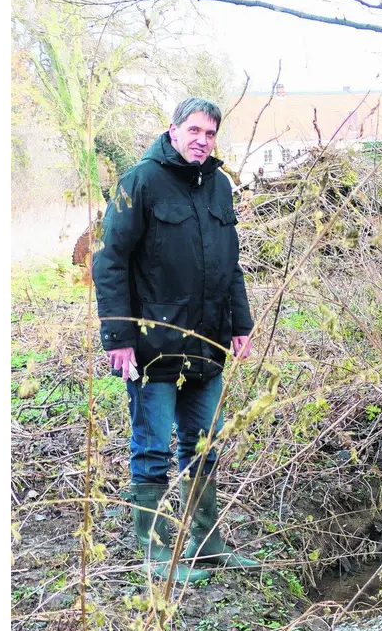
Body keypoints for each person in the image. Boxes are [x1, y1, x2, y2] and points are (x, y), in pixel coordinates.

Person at [91, 97, 262, 582]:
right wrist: (118, 337)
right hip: (152, 347)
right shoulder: (139, 182)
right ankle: (157, 559)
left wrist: (240, 324)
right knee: (151, 451)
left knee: (205, 444)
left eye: (210, 133)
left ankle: (206, 545)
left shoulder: (220, 187)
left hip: (207, 345)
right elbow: (110, 264)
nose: (202, 140)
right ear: (172, 130)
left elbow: (230, 263)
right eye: (194, 130)